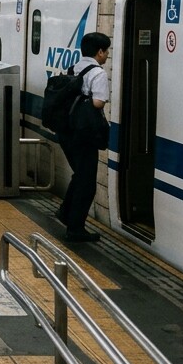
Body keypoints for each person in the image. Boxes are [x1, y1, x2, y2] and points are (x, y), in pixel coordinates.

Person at [58, 32, 111, 243]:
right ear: (99, 52)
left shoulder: (73, 68)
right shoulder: (97, 73)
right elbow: (98, 103)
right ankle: (75, 229)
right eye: (106, 51)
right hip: (84, 134)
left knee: (80, 174)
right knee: (87, 183)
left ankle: (65, 211)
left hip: (67, 132)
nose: (107, 55)